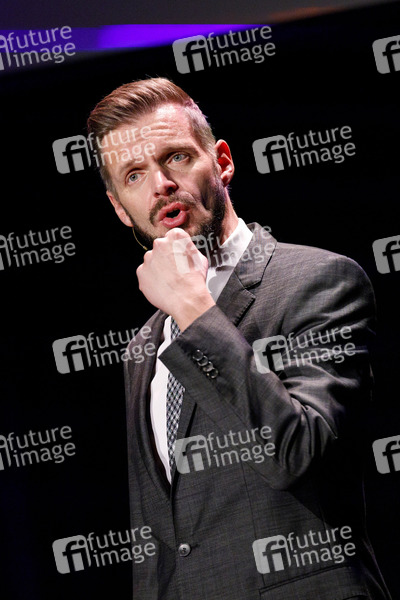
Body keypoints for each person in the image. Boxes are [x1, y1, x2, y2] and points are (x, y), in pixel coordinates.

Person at [87, 77, 391, 600]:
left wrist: (192, 308)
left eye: (176, 157)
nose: (160, 184)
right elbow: (163, 541)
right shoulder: (142, 349)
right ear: (120, 207)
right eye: (134, 174)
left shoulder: (318, 281)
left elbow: (295, 452)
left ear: (222, 161)